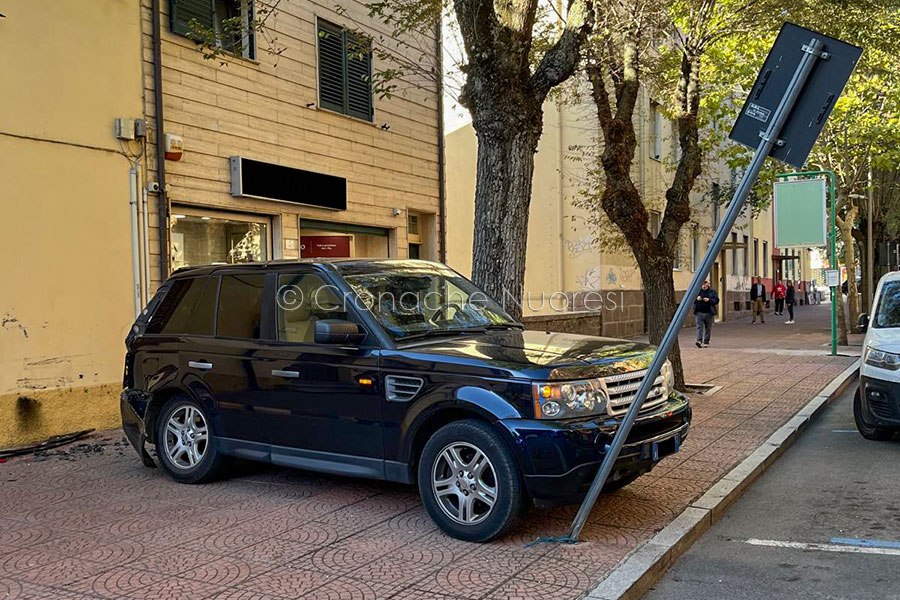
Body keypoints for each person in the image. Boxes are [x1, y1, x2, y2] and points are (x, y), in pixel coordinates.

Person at [693, 280, 719, 347]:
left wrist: (709, 300)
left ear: (708, 284)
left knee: (708, 328)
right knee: (699, 327)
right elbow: (691, 300)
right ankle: (699, 340)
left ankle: (706, 341)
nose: (704, 285)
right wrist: (697, 299)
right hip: (698, 312)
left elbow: (716, 300)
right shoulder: (697, 291)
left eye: (705, 283)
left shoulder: (712, 292)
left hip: (709, 312)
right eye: (702, 283)